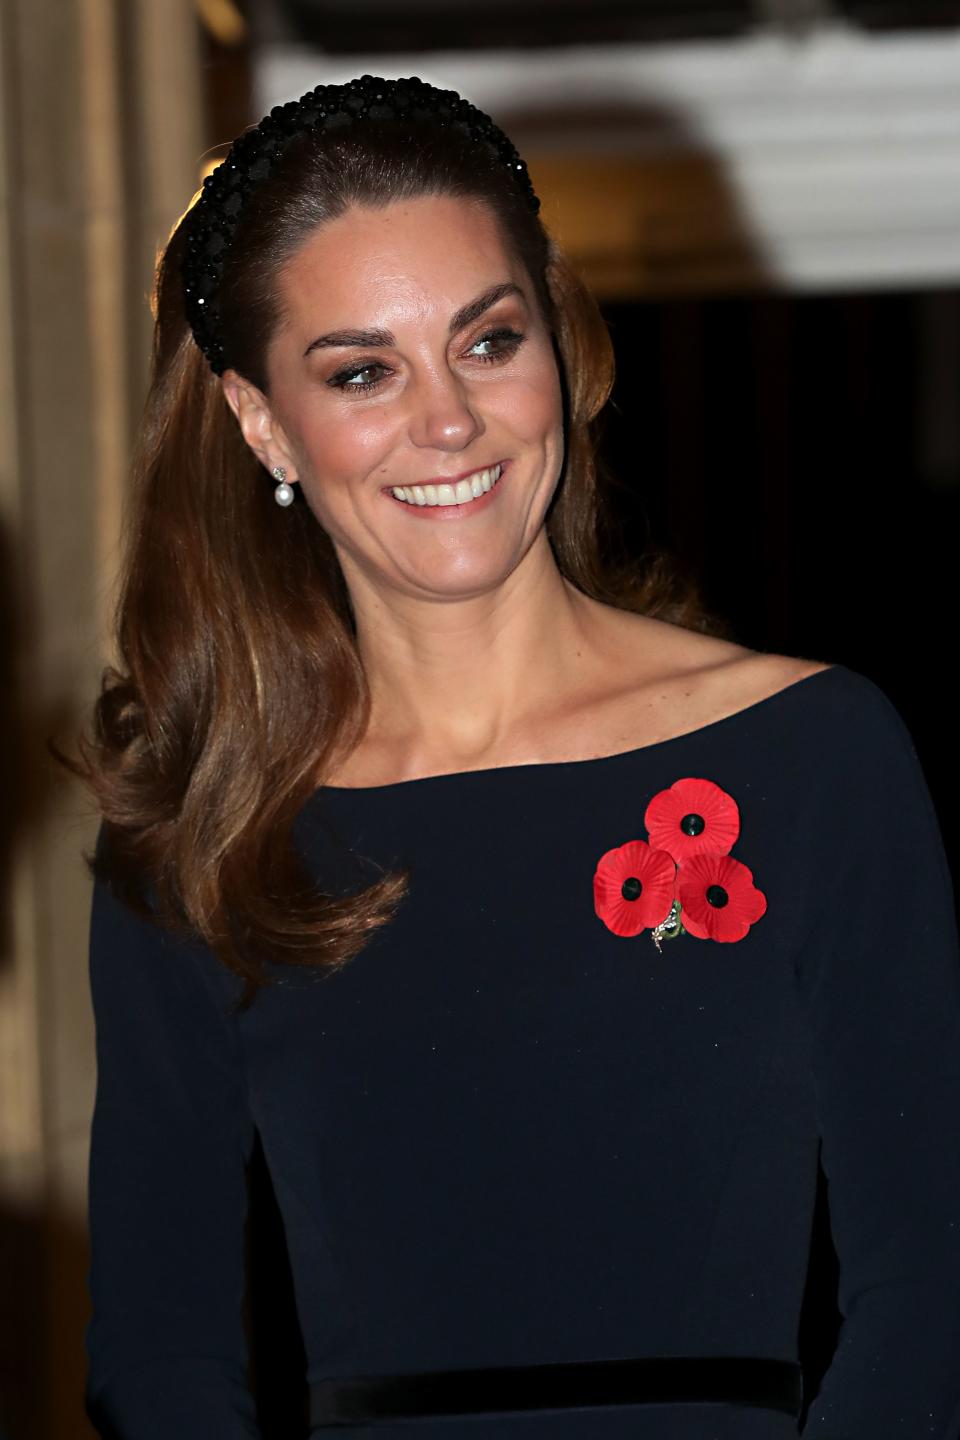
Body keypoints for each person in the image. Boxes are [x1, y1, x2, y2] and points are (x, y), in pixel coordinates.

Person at [70, 74, 960, 1439]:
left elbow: (932, 1286)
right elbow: (158, 1345)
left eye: (487, 341)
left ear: (559, 342)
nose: (447, 421)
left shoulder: (816, 754)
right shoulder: (204, 836)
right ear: (261, 424)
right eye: (363, 371)